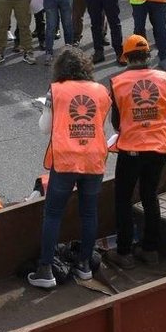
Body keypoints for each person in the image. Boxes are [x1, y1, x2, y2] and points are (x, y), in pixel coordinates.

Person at [28, 47, 111, 289]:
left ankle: (45, 269)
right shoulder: (101, 91)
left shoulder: (57, 91)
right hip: (94, 157)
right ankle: (85, 265)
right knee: (89, 212)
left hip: (65, 158)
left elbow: (45, 127)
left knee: (53, 214)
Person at [107, 35, 166, 267]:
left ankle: (124, 252)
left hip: (131, 149)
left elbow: (117, 123)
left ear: (126, 57)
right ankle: (150, 249)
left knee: (123, 200)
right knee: (150, 196)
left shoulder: (118, 82)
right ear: (148, 56)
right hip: (158, 148)